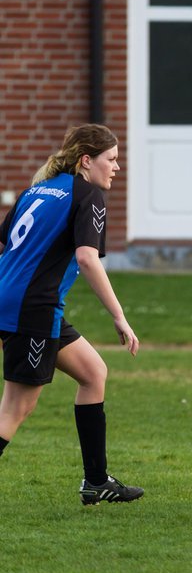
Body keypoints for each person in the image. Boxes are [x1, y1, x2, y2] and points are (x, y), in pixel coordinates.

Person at [0, 124, 143, 505]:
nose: (116, 168)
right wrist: (119, 316)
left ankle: (96, 481)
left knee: (93, 373)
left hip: (18, 303)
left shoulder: (35, 191)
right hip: (33, 309)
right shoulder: (89, 195)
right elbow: (87, 258)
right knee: (16, 409)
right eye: (110, 159)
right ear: (86, 160)